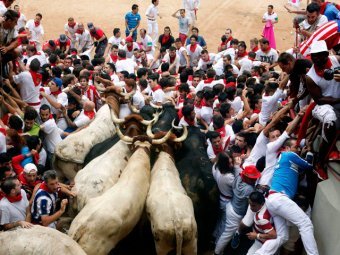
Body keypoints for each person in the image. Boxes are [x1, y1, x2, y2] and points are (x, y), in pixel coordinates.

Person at [266, 148, 319, 255]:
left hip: (272, 200)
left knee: (283, 237)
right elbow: (309, 166)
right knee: (305, 224)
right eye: (295, 147)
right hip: (279, 198)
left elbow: (300, 170)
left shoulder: (287, 161)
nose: (298, 149)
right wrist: (308, 152)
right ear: (288, 148)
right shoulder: (289, 154)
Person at [305, 40, 340, 170]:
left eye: (320, 55)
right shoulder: (310, 77)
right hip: (323, 105)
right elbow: (319, 99)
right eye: (314, 56)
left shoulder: (337, 60)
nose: (317, 59)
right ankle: (321, 158)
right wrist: (338, 100)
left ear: (326, 54)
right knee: (330, 119)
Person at [214, 166, 261, 255]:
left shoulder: (239, 177)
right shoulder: (249, 189)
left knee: (223, 227)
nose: (255, 180)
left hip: (230, 205)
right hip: (236, 214)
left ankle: (215, 241)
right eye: (253, 178)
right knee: (227, 235)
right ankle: (216, 252)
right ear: (248, 178)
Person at [212, 152, 238, 241]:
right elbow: (238, 186)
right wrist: (237, 167)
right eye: (229, 163)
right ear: (224, 164)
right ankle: (217, 242)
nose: (231, 165)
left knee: (220, 220)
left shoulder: (215, 167)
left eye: (231, 162)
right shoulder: (228, 177)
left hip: (221, 197)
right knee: (224, 224)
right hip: (227, 201)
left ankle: (214, 235)